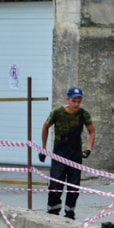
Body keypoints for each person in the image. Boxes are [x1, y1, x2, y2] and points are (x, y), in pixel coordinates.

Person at [39, 86, 96, 219]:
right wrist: (43, 149)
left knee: (74, 185)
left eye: (79, 101)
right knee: (56, 183)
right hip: (59, 153)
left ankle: (70, 213)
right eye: (74, 101)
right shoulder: (57, 112)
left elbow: (91, 131)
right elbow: (46, 127)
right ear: (68, 99)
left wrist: (88, 149)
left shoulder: (83, 114)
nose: (76, 104)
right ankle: (53, 211)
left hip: (75, 154)